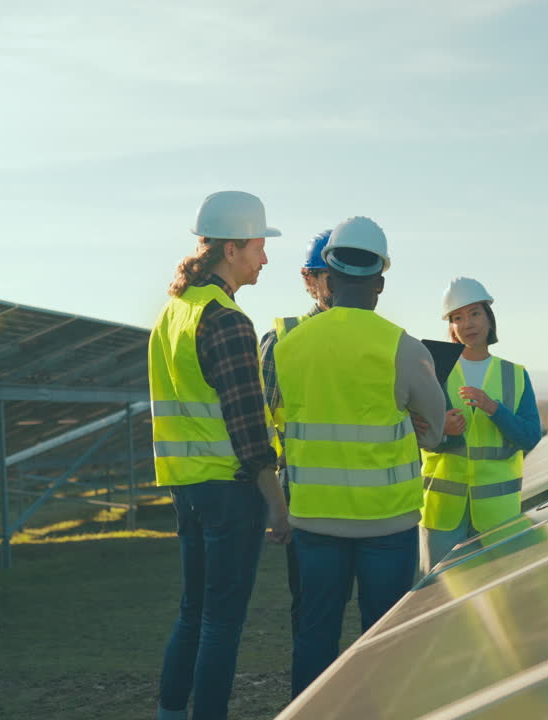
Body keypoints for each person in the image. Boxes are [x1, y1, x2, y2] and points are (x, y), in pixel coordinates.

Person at [272, 216, 446, 697]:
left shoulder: (288, 347)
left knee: (314, 637)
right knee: (386, 640)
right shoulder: (403, 348)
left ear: (328, 274)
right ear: (381, 282)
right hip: (386, 526)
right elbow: (434, 432)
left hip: (313, 522)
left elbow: (284, 422)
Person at [149, 190, 291, 720]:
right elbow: (249, 427)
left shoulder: (174, 312)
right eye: (258, 246)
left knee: (193, 613)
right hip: (230, 490)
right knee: (222, 622)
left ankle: (169, 713)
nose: (264, 258)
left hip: (186, 487)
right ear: (230, 249)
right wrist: (276, 503)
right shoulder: (226, 319)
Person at [418, 277, 542, 575]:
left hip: (498, 516)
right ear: (450, 326)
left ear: (489, 319)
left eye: (474, 313)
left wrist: (494, 409)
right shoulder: (432, 368)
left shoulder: (515, 374)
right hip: (443, 515)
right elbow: (415, 434)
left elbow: (530, 436)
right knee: (439, 604)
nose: (467, 323)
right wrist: (442, 432)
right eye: (457, 317)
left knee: (503, 604)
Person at [257, 228, 333, 642]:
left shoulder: (384, 342)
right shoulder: (281, 342)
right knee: (312, 618)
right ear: (309, 280)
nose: (338, 282)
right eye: (327, 273)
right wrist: (275, 501)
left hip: (375, 508)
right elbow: (262, 427)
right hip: (306, 505)